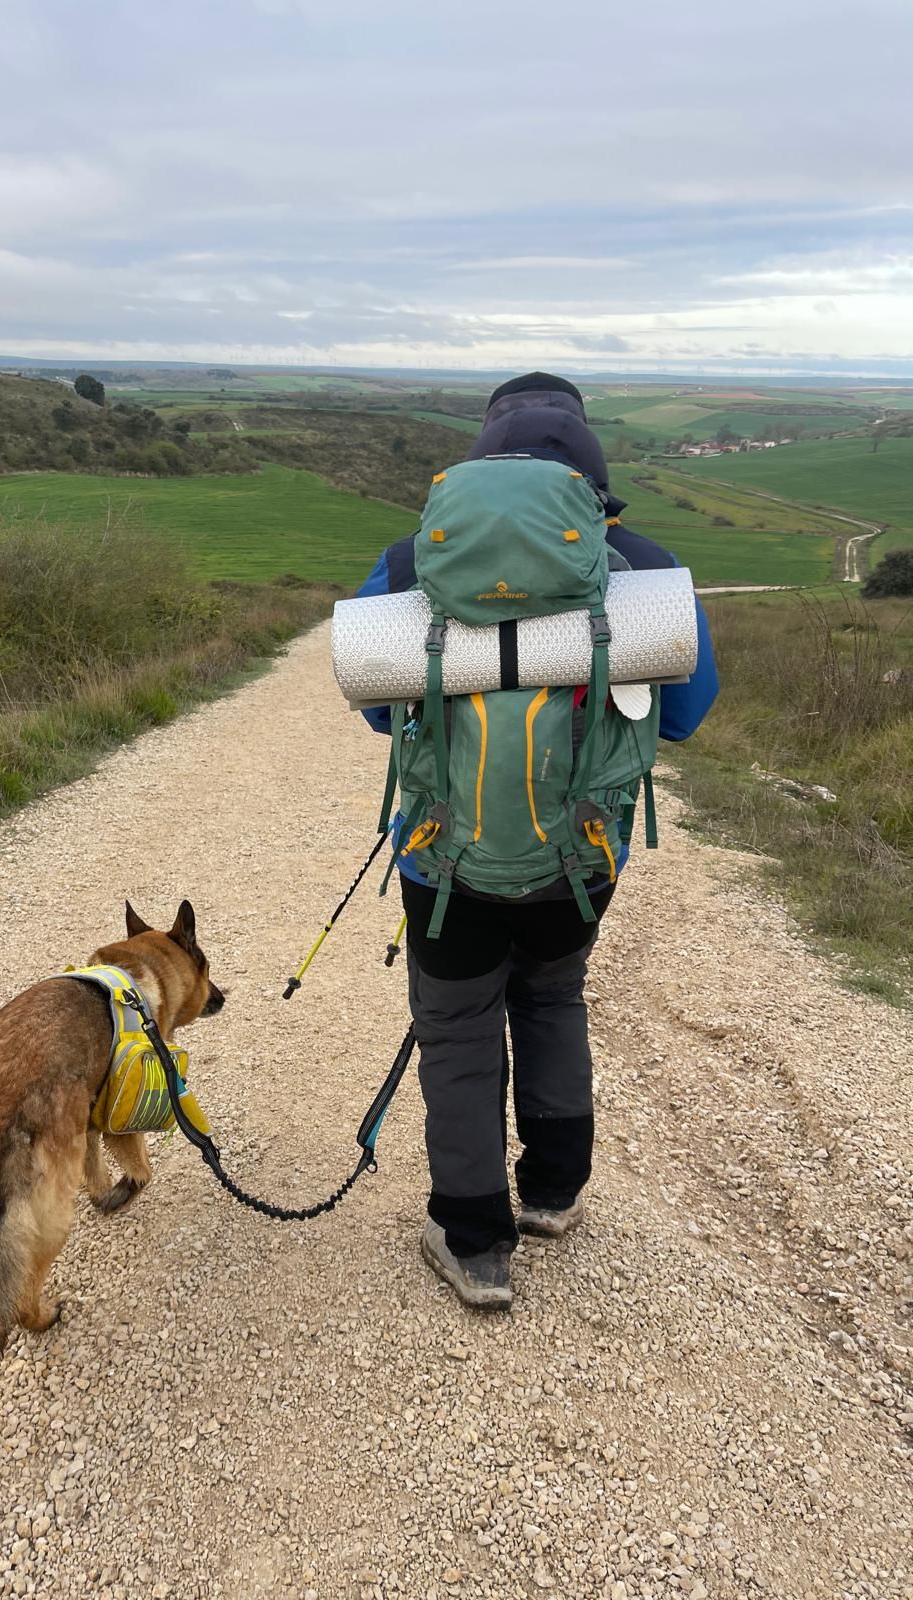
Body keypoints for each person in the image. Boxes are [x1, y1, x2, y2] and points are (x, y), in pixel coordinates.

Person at [356, 372, 719, 1309]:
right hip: (582, 862)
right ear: (590, 466)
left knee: (458, 1032)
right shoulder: (642, 568)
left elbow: (378, 715)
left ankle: (473, 1241)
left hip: (442, 866)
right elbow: (685, 714)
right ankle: (554, 1192)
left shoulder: (409, 563)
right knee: (554, 999)